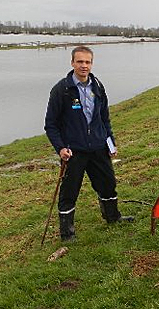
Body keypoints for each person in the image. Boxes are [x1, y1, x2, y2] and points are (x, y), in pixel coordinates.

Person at [44, 46, 133, 242]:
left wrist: (111, 143)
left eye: (87, 62)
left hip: (99, 148)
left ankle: (113, 217)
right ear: (72, 63)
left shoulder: (98, 86)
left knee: (108, 184)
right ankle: (67, 233)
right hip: (73, 152)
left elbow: (105, 119)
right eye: (80, 62)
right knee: (69, 192)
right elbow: (50, 125)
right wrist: (60, 148)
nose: (84, 66)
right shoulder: (61, 90)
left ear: (91, 63)